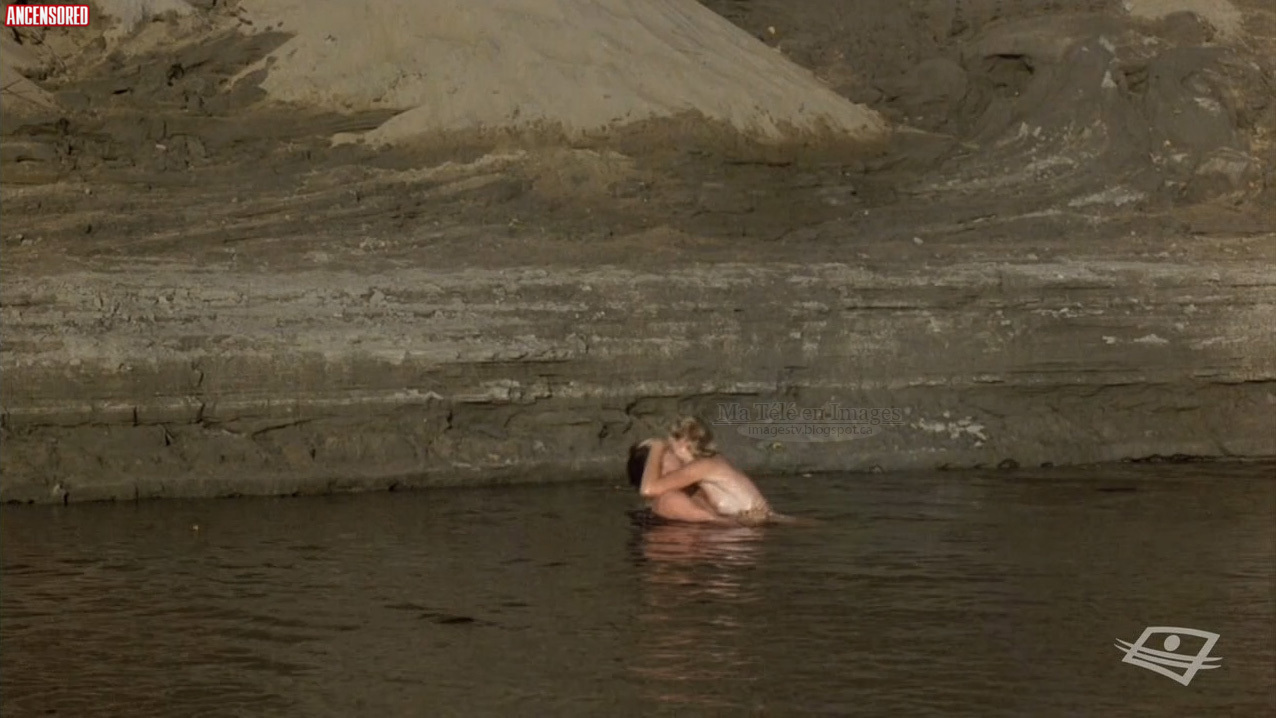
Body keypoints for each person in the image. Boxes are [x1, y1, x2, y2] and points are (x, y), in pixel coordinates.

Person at [638, 416, 782, 527]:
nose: (671, 452)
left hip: (762, 521)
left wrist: (657, 446)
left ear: (683, 444)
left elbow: (648, 489)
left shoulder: (702, 466)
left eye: (670, 447)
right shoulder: (711, 461)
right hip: (762, 520)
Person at [628, 440, 734, 525]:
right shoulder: (670, 499)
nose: (677, 453)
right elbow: (719, 523)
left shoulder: (693, 491)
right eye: (670, 451)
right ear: (659, 467)